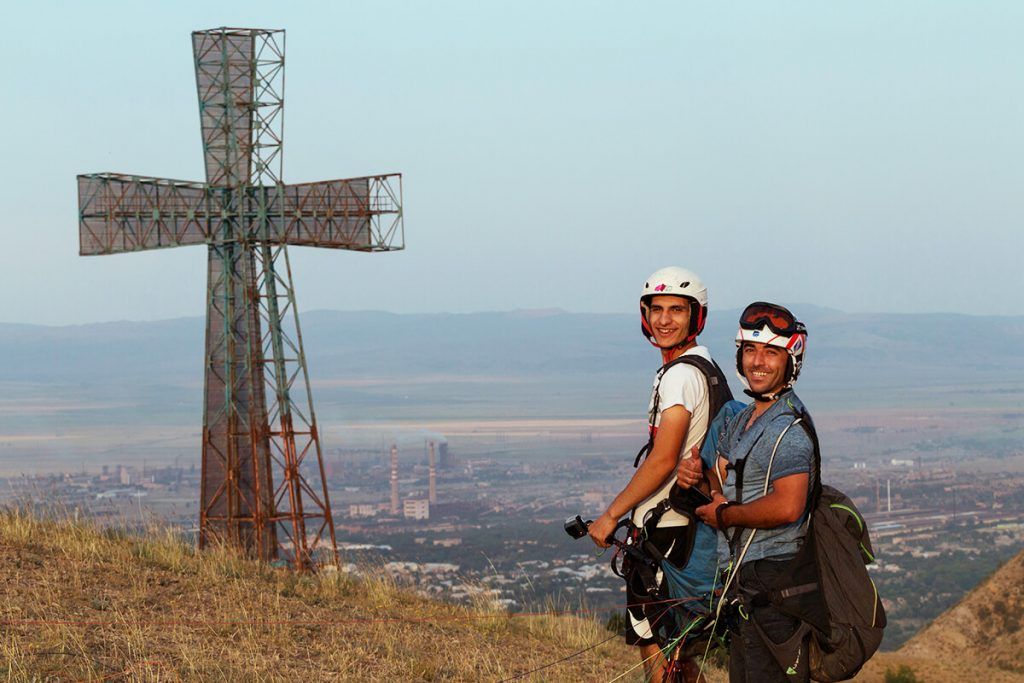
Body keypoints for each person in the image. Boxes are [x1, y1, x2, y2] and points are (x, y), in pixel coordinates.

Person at [588, 266, 725, 683]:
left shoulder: (680, 376)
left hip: (668, 533)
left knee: (660, 653)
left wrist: (611, 515)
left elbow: (664, 459)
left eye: (676, 310)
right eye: (656, 309)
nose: (664, 320)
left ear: (696, 316)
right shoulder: (705, 367)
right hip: (689, 530)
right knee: (678, 656)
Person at [692, 302, 814, 683]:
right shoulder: (744, 418)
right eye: (750, 350)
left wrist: (725, 515)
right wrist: (700, 479)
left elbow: (789, 506)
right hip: (744, 586)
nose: (757, 361)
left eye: (771, 352)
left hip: (776, 589)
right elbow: (722, 481)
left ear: (790, 361)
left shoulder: (788, 430)